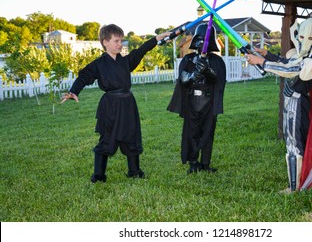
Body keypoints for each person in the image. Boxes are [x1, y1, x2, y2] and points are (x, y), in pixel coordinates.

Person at [61, 24, 170, 183]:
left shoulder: (126, 62)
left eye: (121, 41)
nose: (120, 44)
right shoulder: (99, 64)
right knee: (107, 138)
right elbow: (84, 77)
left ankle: (134, 171)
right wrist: (73, 92)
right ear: (105, 42)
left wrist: (155, 39)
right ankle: (99, 175)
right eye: (116, 41)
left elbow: (141, 51)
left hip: (128, 104)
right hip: (111, 105)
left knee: (131, 136)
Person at [246, 18, 312, 193]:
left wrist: (262, 62)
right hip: (291, 103)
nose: (306, 41)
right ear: (297, 35)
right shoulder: (297, 56)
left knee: (294, 145)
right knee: (292, 142)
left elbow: (289, 70)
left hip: (298, 105)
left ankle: (294, 188)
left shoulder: (311, 61)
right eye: (303, 36)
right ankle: (297, 183)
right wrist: (267, 55)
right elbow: (286, 62)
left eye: (310, 38)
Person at [167, 23, 226, 174]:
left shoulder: (217, 61)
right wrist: (194, 74)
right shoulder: (188, 59)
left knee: (207, 133)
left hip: (208, 102)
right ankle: (193, 162)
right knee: (191, 133)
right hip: (192, 101)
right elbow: (183, 80)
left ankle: (205, 163)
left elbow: (218, 80)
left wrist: (208, 71)